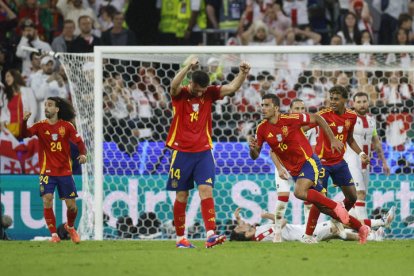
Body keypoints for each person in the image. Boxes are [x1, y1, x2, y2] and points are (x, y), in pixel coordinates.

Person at [249, 93, 370, 244]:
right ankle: (361, 228)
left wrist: (332, 138)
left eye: (266, 105)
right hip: (294, 170)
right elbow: (255, 155)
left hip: (309, 162)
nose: (263, 108)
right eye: (262, 105)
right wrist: (252, 148)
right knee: (323, 206)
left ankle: (329, 213)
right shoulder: (261, 128)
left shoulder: (291, 119)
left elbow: (318, 118)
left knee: (299, 192)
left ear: (276, 108)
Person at [166, 56, 251, 248]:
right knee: (182, 196)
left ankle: (211, 234)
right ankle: (180, 239)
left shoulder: (209, 93)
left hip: (203, 151)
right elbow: (173, 85)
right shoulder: (180, 94)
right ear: (192, 83)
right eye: (198, 88)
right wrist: (187, 67)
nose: (201, 92)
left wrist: (243, 74)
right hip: (180, 152)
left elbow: (231, 88)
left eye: (204, 89)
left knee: (206, 190)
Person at [304, 85, 370, 243]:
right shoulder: (323, 115)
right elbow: (305, 127)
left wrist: (361, 153)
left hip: (339, 162)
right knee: (320, 199)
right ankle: (307, 236)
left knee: (353, 197)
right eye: (330, 98)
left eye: (336, 99)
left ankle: (337, 219)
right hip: (322, 164)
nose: (332, 101)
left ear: (345, 100)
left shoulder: (351, 117)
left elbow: (349, 139)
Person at [22, 97, 87, 243]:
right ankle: (54, 235)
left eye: (50, 105)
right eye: (45, 105)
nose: (46, 108)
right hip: (47, 171)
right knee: (47, 199)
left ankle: (70, 227)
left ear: (57, 109)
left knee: (72, 208)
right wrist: (24, 121)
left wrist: (83, 154)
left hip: (65, 172)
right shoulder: (40, 126)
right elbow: (24, 134)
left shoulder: (67, 126)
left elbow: (79, 142)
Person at [270, 98, 317, 242]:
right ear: (290, 111)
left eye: (302, 109)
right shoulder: (282, 125)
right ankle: (277, 232)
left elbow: (312, 150)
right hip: (285, 168)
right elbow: (273, 152)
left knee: (308, 199)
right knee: (283, 198)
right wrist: (279, 169)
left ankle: (307, 232)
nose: (300, 112)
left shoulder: (311, 128)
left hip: (301, 168)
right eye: (296, 109)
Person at [230, 207, 395, 242]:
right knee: (338, 222)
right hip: (306, 235)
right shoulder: (261, 236)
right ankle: (377, 230)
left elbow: (244, 228)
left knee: (339, 226)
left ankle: (377, 229)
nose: (243, 224)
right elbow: (283, 222)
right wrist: (269, 215)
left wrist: (238, 219)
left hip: (305, 231)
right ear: (245, 234)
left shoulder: (257, 231)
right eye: (241, 227)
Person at [344, 92, 390, 220]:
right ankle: (366, 231)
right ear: (353, 104)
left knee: (356, 199)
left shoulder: (371, 121)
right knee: (360, 194)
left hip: (366, 164)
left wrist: (384, 163)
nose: (362, 105)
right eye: (358, 102)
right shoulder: (349, 119)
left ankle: (343, 225)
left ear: (368, 103)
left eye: (364, 101)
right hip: (351, 161)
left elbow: (376, 143)